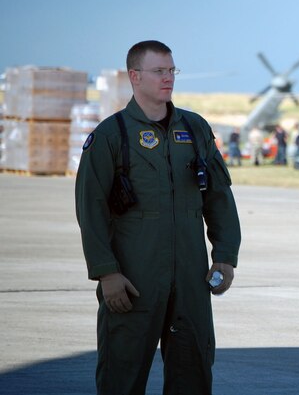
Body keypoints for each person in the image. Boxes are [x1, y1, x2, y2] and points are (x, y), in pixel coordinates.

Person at [75, 40, 241, 395]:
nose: (168, 79)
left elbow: (219, 198)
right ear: (135, 76)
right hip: (134, 280)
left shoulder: (195, 130)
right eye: (158, 71)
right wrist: (107, 273)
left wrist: (225, 257)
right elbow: (90, 210)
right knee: (122, 374)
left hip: (191, 280)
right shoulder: (111, 135)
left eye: (171, 71)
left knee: (193, 372)